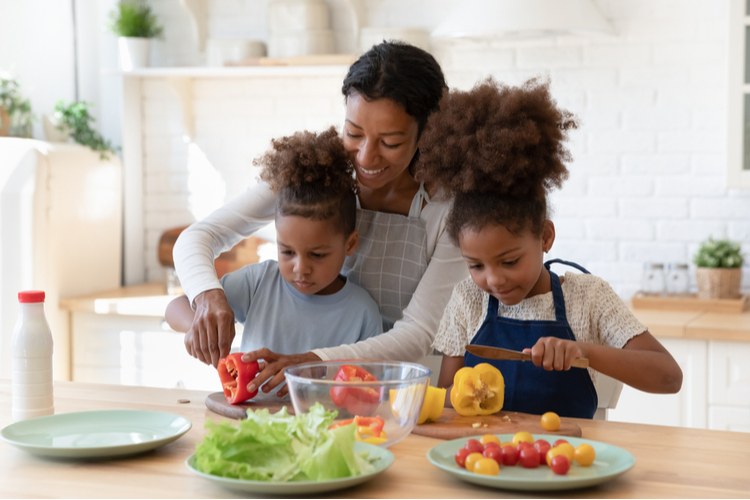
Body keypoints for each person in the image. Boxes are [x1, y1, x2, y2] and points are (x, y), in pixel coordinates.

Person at [172, 41, 469, 396]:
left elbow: (418, 334)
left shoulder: (450, 209)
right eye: (354, 133)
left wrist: (313, 362)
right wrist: (208, 297)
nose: (365, 156)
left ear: (427, 133)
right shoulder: (315, 175)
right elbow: (199, 236)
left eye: (389, 141)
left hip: (401, 393)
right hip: (308, 389)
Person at [414, 77, 683, 419]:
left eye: (509, 260)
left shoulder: (588, 298)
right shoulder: (467, 300)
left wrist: (582, 351)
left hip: (566, 463)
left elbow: (669, 376)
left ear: (545, 237)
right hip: (485, 461)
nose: (493, 280)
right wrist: (460, 393)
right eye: (476, 265)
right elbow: (447, 401)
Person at [165, 128, 383, 392]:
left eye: (317, 254)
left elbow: (372, 387)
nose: (300, 268)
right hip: (251, 425)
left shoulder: (363, 313)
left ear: (349, 244)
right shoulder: (259, 282)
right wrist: (199, 328)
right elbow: (175, 308)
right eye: (287, 251)